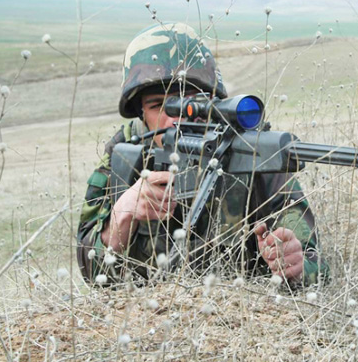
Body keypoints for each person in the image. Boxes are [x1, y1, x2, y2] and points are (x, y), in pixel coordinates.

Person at [76, 22, 329, 288]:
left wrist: (297, 265)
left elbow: (316, 266)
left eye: (193, 102)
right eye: (158, 106)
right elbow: (91, 272)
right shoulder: (127, 151)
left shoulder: (250, 151)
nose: (177, 118)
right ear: (141, 115)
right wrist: (123, 215)